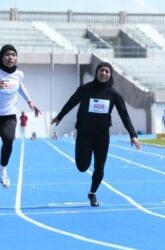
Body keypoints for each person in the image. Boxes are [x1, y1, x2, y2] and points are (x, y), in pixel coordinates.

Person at [51, 62, 141, 207]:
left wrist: (133, 135)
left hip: (102, 135)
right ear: (96, 72)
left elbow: (124, 115)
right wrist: (59, 117)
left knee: (100, 168)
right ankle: (83, 163)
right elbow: (71, 102)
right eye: (101, 70)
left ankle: (92, 193)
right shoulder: (85, 89)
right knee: (82, 166)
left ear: (110, 75)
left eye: (107, 71)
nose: (104, 73)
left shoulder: (114, 94)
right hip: (84, 133)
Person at [0, 44, 41, 188]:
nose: (10, 57)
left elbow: (20, 86)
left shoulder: (19, 74)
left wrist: (29, 100)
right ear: (1, 57)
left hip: (8, 115)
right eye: (7, 54)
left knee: (9, 140)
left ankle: (3, 169)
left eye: (13, 54)